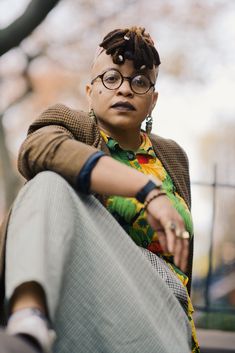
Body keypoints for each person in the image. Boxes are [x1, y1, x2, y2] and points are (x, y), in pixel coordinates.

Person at [0, 26, 200, 353]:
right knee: (49, 181)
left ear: (153, 99)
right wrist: (146, 190)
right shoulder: (72, 126)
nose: (124, 89)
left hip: (161, 312)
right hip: (89, 297)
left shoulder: (173, 156)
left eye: (139, 81)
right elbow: (38, 150)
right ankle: (28, 324)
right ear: (90, 90)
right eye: (111, 78)